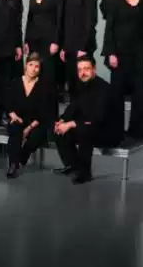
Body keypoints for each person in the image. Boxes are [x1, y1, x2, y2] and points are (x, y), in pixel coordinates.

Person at [102, 0, 143, 139]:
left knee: (139, 93)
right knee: (117, 93)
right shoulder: (114, 0)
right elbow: (109, 28)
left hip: (138, 53)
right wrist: (110, 53)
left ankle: (138, 131)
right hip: (119, 53)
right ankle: (115, 131)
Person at [52, 56, 123, 184]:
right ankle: (73, 165)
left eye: (86, 69)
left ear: (94, 69)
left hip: (107, 131)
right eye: (80, 70)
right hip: (89, 125)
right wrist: (62, 120)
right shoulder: (80, 85)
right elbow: (74, 106)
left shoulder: (104, 89)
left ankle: (85, 173)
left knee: (84, 131)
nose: (82, 73)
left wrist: (72, 124)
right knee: (58, 130)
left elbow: (98, 118)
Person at [5, 52, 52, 178]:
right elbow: (8, 102)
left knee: (36, 136)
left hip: (35, 121)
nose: (33, 69)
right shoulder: (16, 82)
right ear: (26, 66)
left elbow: (43, 111)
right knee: (15, 131)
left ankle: (22, 157)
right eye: (31, 65)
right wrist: (13, 115)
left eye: (37, 66)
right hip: (18, 118)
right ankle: (13, 165)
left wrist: (29, 127)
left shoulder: (43, 86)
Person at [60, 0, 99, 95]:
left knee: (83, 88)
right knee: (73, 87)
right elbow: (69, 23)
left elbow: (90, 22)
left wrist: (83, 48)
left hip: (82, 49)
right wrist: (65, 47)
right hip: (70, 48)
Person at [25, 0, 64, 89]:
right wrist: (26, 41)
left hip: (49, 39)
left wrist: (56, 41)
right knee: (33, 73)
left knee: (48, 74)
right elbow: (30, 18)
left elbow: (59, 18)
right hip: (33, 39)